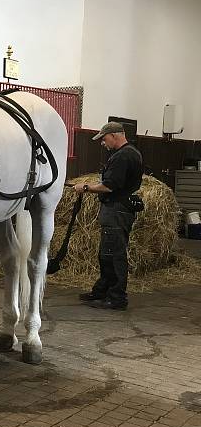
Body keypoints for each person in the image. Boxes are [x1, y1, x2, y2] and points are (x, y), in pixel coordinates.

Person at [73, 121, 143, 310]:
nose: (103, 143)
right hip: (116, 207)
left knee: (114, 254)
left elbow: (109, 185)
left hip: (117, 209)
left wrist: (85, 187)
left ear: (114, 135)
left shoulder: (123, 156)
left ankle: (117, 297)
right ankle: (102, 290)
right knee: (107, 253)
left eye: (104, 139)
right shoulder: (128, 153)